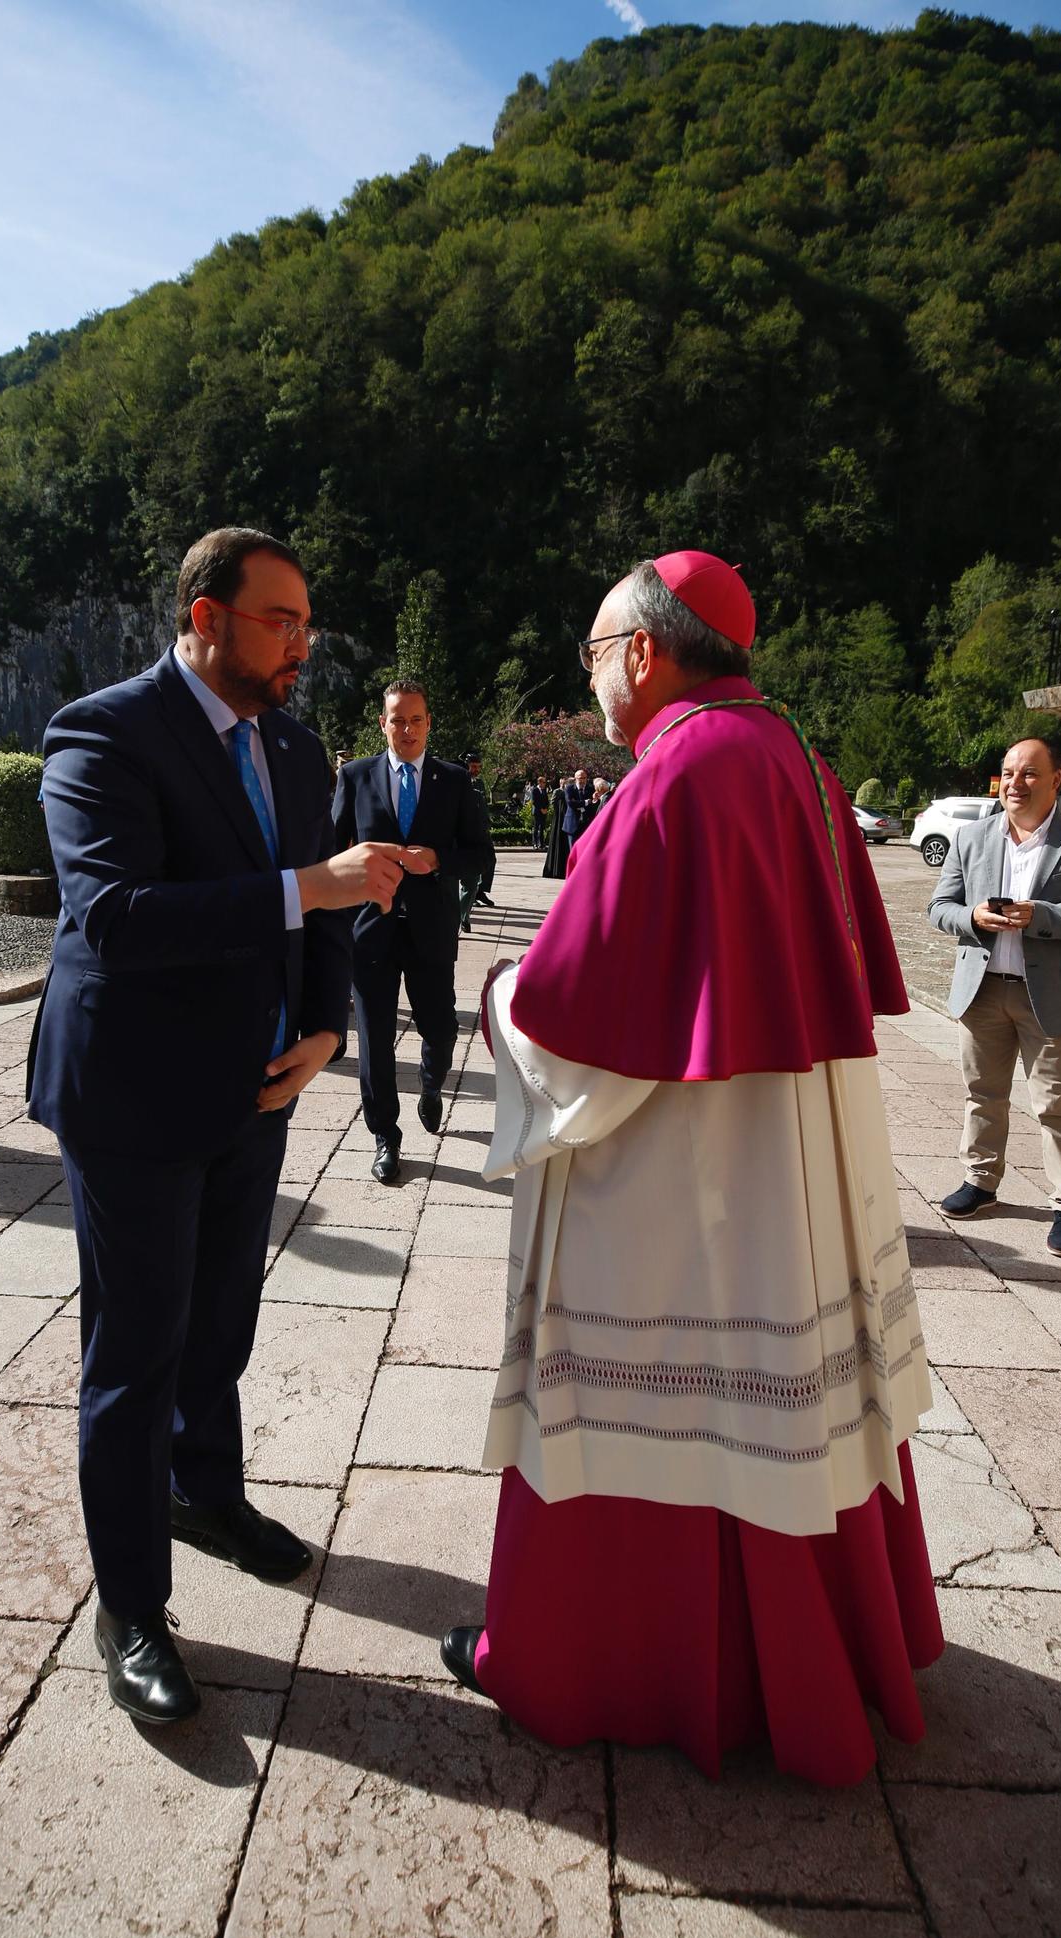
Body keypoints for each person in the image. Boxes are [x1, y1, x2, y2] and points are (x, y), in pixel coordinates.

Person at [440, 549, 942, 1787]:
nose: (596, 678)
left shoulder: (678, 766)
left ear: (647, 654)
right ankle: (804, 1659)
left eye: (597, 655)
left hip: (683, 1175)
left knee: (657, 1381)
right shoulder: (800, 763)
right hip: (793, 1160)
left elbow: (578, 1022)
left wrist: (503, 998)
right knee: (778, 1405)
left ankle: (604, 1658)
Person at [29, 526, 415, 1726]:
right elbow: (117, 917)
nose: (302, 642)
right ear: (206, 616)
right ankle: (131, 1604)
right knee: (134, 1357)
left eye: (308, 622)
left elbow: (316, 923)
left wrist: (328, 1032)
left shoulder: (296, 749)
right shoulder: (102, 732)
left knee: (222, 1327)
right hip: (137, 1098)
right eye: (278, 620)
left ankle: (208, 1494)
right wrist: (314, 886)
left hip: (259, 1089)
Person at [928, 736, 1061, 1259]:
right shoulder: (972, 837)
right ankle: (981, 1183)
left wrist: (1045, 916)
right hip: (982, 990)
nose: (1016, 783)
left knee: (1056, 1106)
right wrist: (972, 918)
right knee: (982, 1094)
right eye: (1009, 772)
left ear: (1055, 781)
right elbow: (939, 907)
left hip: (1050, 997)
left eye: (1030, 773)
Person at [333, 682, 490, 1184]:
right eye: (397, 720)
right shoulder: (355, 777)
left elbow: (481, 856)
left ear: (429, 723)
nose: (407, 729)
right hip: (371, 930)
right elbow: (330, 853)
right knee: (375, 1040)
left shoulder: (453, 781)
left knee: (441, 1029)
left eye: (415, 720)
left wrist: (439, 859)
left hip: (431, 930)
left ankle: (430, 1083)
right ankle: (386, 1137)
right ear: (383, 723)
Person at [457, 752, 497, 935]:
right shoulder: (454, 779)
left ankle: (462, 917)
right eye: (473, 766)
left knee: (471, 884)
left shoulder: (479, 785)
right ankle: (455, 918)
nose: (476, 770)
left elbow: (483, 813)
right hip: (455, 842)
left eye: (478, 767)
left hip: (475, 841)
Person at [542, 777, 569, 880]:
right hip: (559, 817)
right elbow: (553, 802)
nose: (563, 784)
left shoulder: (568, 791)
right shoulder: (557, 791)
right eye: (562, 782)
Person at [561, 769, 588, 851]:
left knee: (584, 850)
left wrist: (579, 803)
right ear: (575, 778)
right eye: (580, 778)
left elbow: (593, 804)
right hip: (572, 824)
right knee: (573, 849)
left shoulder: (590, 788)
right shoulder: (569, 788)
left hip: (585, 824)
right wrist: (585, 802)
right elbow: (570, 803)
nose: (582, 780)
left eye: (584, 778)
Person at [529, 774, 550, 851]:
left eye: (545, 782)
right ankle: (535, 843)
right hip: (537, 811)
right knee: (536, 827)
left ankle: (542, 844)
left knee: (542, 828)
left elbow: (547, 801)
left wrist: (546, 809)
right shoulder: (535, 790)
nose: (544, 784)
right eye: (543, 782)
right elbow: (534, 801)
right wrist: (541, 809)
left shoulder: (544, 790)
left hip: (544, 812)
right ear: (539, 782)